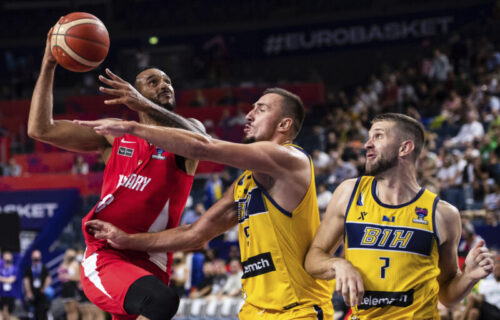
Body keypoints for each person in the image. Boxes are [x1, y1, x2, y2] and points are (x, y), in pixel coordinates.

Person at [78, 87, 335, 319]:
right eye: (252, 107)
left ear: (284, 124)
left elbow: (203, 147)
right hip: (255, 311)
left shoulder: (291, 159)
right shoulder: (244, 184)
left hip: (299, 310)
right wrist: (126, 240)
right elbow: (195, 234)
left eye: (262, 108)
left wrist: (135, 127)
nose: (249, 115)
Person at [28, 29, 205, 320]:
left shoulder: (188, 134)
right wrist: (49, 63)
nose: (165, 85)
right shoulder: (115, 136)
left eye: (168, 81)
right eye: (153, 81)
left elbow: (200, 141)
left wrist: (142, 103)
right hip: (107, 255)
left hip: (154, 260)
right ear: (134, 93)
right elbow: (40, 129)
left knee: (156, 301)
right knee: (161, 302)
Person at [303, 113, 495, 319]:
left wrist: (468, 277)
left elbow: (447, 295)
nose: (367, 144)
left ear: (405, 148)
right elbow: (313, 259)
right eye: (369, 137)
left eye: (378, 136)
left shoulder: (443, 214)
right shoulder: (349, 193)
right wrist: (339, 264)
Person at [23, 250, 51, 320]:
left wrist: (44, 288)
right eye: (35, 258)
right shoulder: (29, 269)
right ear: (32, 258)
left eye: (37, 258)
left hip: (41, 293)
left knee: (42, 312)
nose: (36, 260)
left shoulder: (44, 268)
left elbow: (48, 278)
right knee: (33, 312)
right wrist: (28, 291)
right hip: (32, 293)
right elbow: (26, 280)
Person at [57, 249, 80, 320]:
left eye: (72, 256)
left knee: (73, 310)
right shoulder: (63, 264)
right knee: (68, 311)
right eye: (69, 256)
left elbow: (78, 277)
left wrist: (67, 276)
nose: (71, 258)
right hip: (65, 289)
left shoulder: (75, 264)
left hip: (72, 288)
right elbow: (60, 276)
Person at [0, 251, 17, 319]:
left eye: (8, 260)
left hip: (11, 294)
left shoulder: (14, 268)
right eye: (5, 260)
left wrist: (2, 279)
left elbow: (12, 279)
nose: (7, 261)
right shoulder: (1, 268)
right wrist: (7, 279)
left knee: (8, 314)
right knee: (1, 312)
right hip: (2, 294)